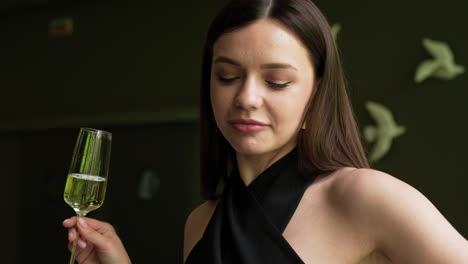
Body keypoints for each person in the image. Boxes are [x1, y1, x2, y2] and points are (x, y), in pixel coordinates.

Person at [63, 0, 468, 263]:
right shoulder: (201, 222)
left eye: (276, 81)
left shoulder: (364, 197)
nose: (247, 97)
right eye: (227, 76)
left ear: (317, 91)